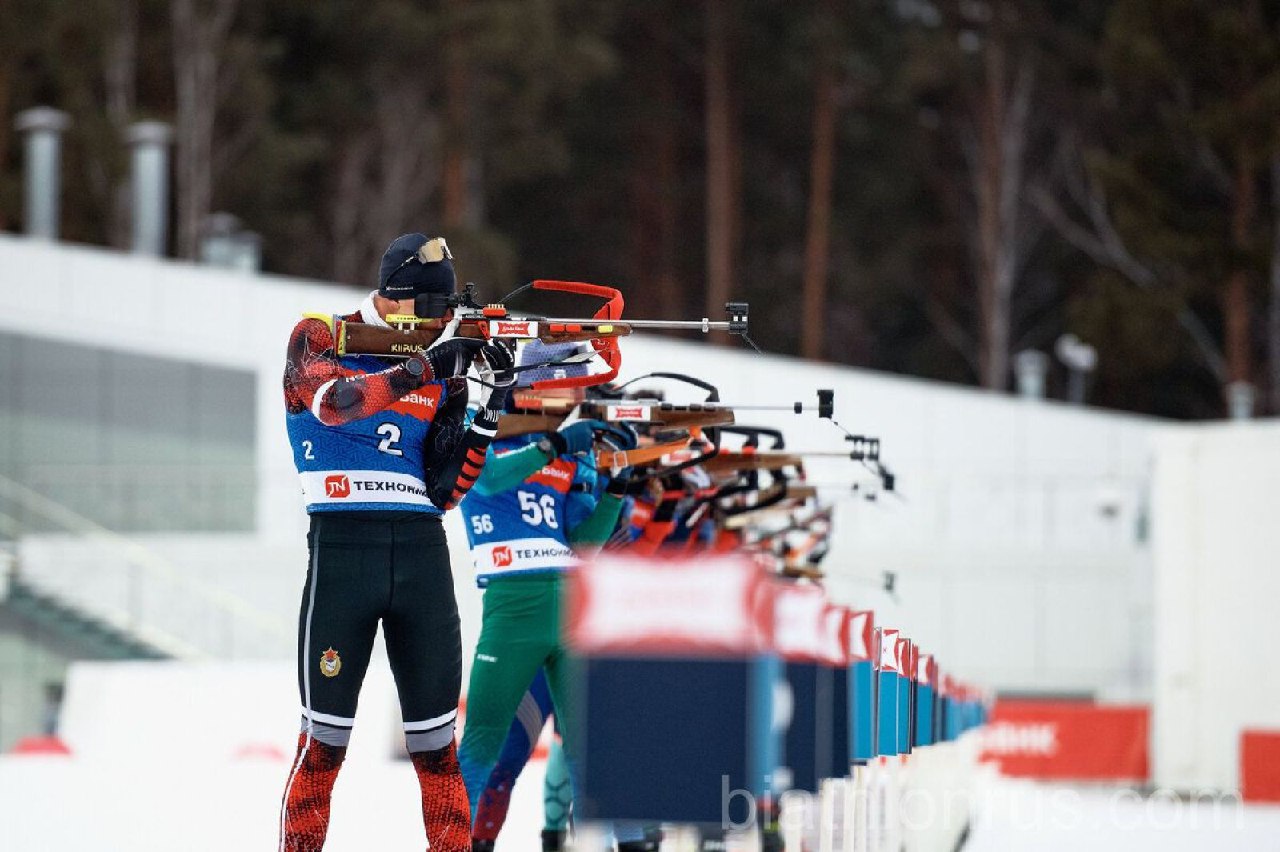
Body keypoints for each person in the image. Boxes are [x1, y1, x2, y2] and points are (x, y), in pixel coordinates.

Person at [277, 233, 515, 852]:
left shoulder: (443, 365)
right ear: (398, 300)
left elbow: (445, 489)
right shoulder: (320, 334)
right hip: (342, 549)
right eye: (430, 310)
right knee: (323, 747)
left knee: (438, 753)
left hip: (420, 554)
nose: (439, 322)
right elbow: (335, 404)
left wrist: (488, 409)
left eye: (445, 313)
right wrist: (429, 364)